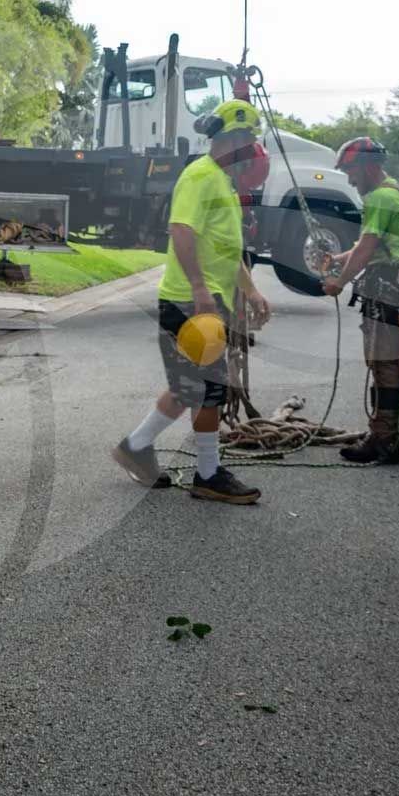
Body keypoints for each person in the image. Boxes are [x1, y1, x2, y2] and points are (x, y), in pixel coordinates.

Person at [109, 98, 273, 504]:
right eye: (249, 139)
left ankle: (136, 446)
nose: (252, 149)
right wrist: (201, 290)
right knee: (207, 388)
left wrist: (250, 289)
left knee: (188, 388)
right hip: (189, 302)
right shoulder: (201, 176)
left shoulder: (222, 183)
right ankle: (207, 473)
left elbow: (226, 248)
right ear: (233, 138)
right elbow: (181, 231)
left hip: (202, 300)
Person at [321, 135, 399, 464]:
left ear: (367, 166)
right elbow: (372, 243)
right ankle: (383, 433)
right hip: (397, 288)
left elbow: (366, 250)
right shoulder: (392, 191)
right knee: (385, 364)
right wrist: (339, 258)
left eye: (351, 171)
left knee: (385, 365)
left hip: (389, 291)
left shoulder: (380, 197)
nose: (349, 178)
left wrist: (339, 281)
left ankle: (383, 439)